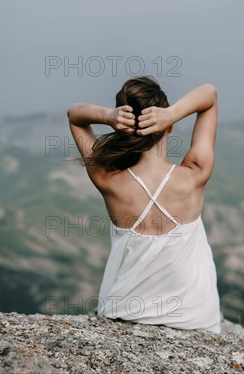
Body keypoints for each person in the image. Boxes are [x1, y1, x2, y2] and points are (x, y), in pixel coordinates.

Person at [67, 76, 221, 333]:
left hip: (125, 312)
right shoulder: (195, 175)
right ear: (169, 127)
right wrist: (172, 113)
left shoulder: (108, 180)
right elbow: (210, 93)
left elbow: (74, 115)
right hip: (195, 318)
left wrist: (109, 116)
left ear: (122, 128)